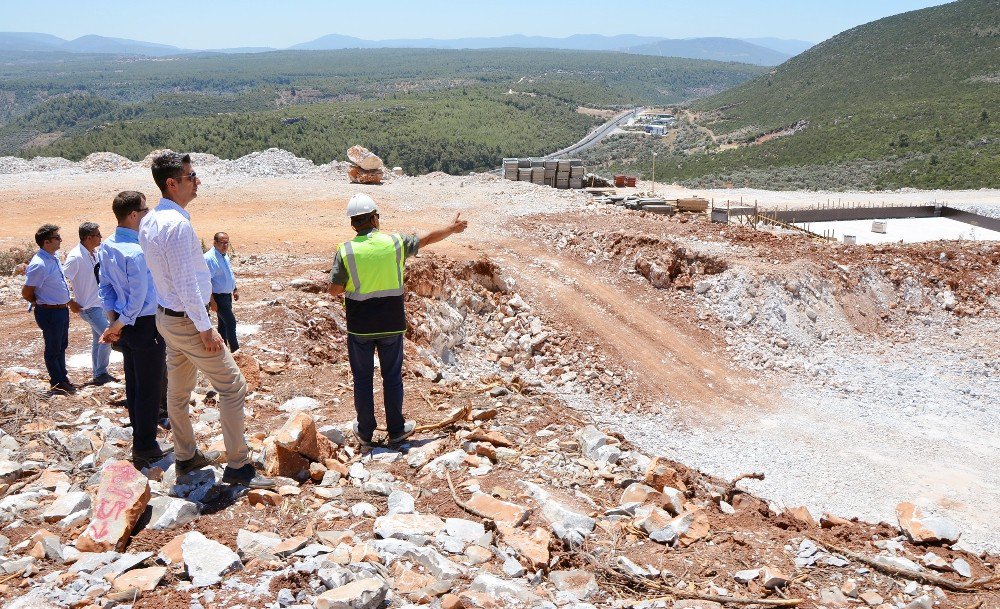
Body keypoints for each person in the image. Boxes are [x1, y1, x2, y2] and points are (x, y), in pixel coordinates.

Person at [139, 152, 273, 488]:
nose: (197, 181)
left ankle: (185, 456)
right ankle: (239, 465)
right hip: (187, 320)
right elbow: (186, 284)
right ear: (172, 183)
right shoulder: (179, 225)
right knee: (233, 387)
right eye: (191, 176)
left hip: (166, 318)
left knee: (179, 389)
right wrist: (206, 328)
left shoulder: (150, 220)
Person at [328, 193, 467, 447]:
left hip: (360, 326)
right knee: (391, 376)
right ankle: (396, 429)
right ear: (374, 218)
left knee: (362, 379)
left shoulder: (345, 250)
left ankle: (366, 431)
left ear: (353, 224)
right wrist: (451, 228)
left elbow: (335, 290)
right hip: (391, 323)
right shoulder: (395, 243)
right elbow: (426, 239)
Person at [97, 191, 171, 468]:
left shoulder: (107, 245)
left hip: (124, 323)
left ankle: (140, 439)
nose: (148, 213)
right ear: (133, 215)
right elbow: (139, 297)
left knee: (134, 383)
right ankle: (146, 446)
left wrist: (114, 320)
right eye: (144, 209)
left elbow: (104, 287)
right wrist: (119, 323)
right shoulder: (138, 251)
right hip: (143, 324)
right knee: (149, 386)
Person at [21, 224, 77, 394]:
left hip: (60, 310)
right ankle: (57, 381)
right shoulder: (39, 264)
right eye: (57, 238)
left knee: (61, 345)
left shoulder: (53, 257)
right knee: (53, 347)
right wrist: (42, 303)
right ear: (46, 242)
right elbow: (27, 292)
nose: (60, 240)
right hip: (50, 311)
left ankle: (62, 377)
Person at [63, 222, 116, 386]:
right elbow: (61, 279)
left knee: (98, 340)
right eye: (97, 235)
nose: (101, 237)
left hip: (99, 305)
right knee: (108, 337)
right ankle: (100, 373)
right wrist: (69, 301)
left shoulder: (94, 253)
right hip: (88, 307)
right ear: (88, 237)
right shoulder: (75, 257)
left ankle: (99, 372)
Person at [204, 232, 239, 352]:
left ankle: (222, 351)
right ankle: (236, 351)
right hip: (218, 298)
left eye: (227, 243)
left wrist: (234, 289)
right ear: (215, 243)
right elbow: (205, 281)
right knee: (231, 323)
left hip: (227, 296)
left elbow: (229, 274)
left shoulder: (224, 255)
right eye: (222, 243)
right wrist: (212, 301)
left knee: (223, 325)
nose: (225, 245)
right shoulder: (209, 258)